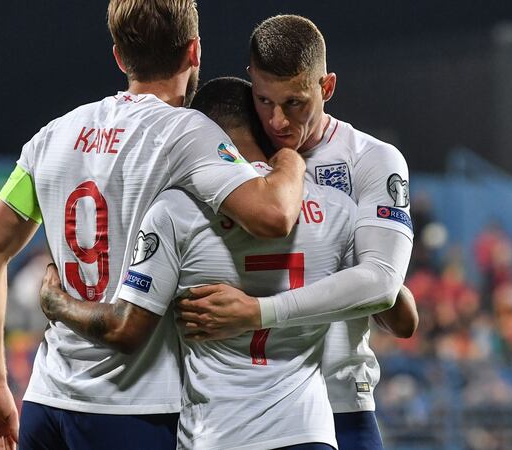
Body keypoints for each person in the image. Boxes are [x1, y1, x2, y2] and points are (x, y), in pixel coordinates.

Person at [0, 1, 307, 449]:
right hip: (134, 409)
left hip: (46, 403)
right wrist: (291, 160)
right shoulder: (185, 132)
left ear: (120, 57)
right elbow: (273, 214)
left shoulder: (53, 135)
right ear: (194, 52)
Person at [39, 76, 417, 449]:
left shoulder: (176, 213)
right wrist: (292, 165)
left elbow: (125, 327)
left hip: (215, 433)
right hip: (312, 428)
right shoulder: (336, 209)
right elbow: (402, 317)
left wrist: (57, 303)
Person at [177, 15, 418, 449]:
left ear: (326, 88)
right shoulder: (224, 153)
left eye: (295, 103)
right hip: (231, 413)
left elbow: (383, 285)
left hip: (339, 405)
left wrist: (259, 311)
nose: (278, 121)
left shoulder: (371, 160)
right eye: (265, 100)